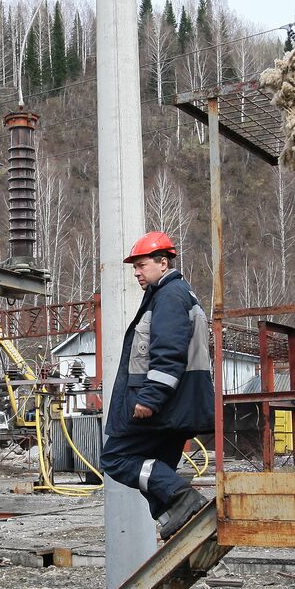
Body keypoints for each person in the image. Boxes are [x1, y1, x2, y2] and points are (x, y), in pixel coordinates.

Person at [99, 232, 214, 541]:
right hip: (179, 407)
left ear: (163, 263)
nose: (136, 273)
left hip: (165, 406)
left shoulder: (170, 296)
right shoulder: (175, 295)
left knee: (116, 459)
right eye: (134, 267)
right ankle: (179, 519)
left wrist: (150, 397)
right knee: (156, 469)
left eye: (141, 265)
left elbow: (169, 353)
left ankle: (184, 499)